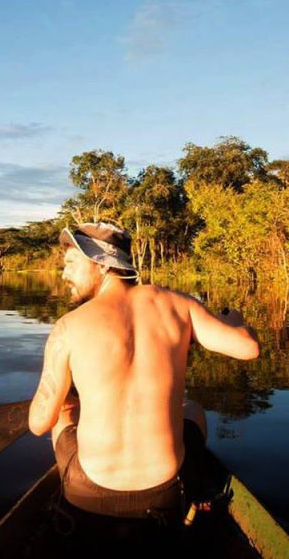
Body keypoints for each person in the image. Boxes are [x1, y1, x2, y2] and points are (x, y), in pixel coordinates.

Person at [28, 222, 260, 525]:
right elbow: (249, 348)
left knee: (59, 416)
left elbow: (37, 424)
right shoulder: (180, 306)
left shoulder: (68, 328)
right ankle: (194, 487)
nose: (63, 274)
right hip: (162, 493)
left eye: (71, 264)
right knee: (192, 410)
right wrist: (238, 321)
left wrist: (67, 405)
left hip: (88, 494)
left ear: (101, 264)